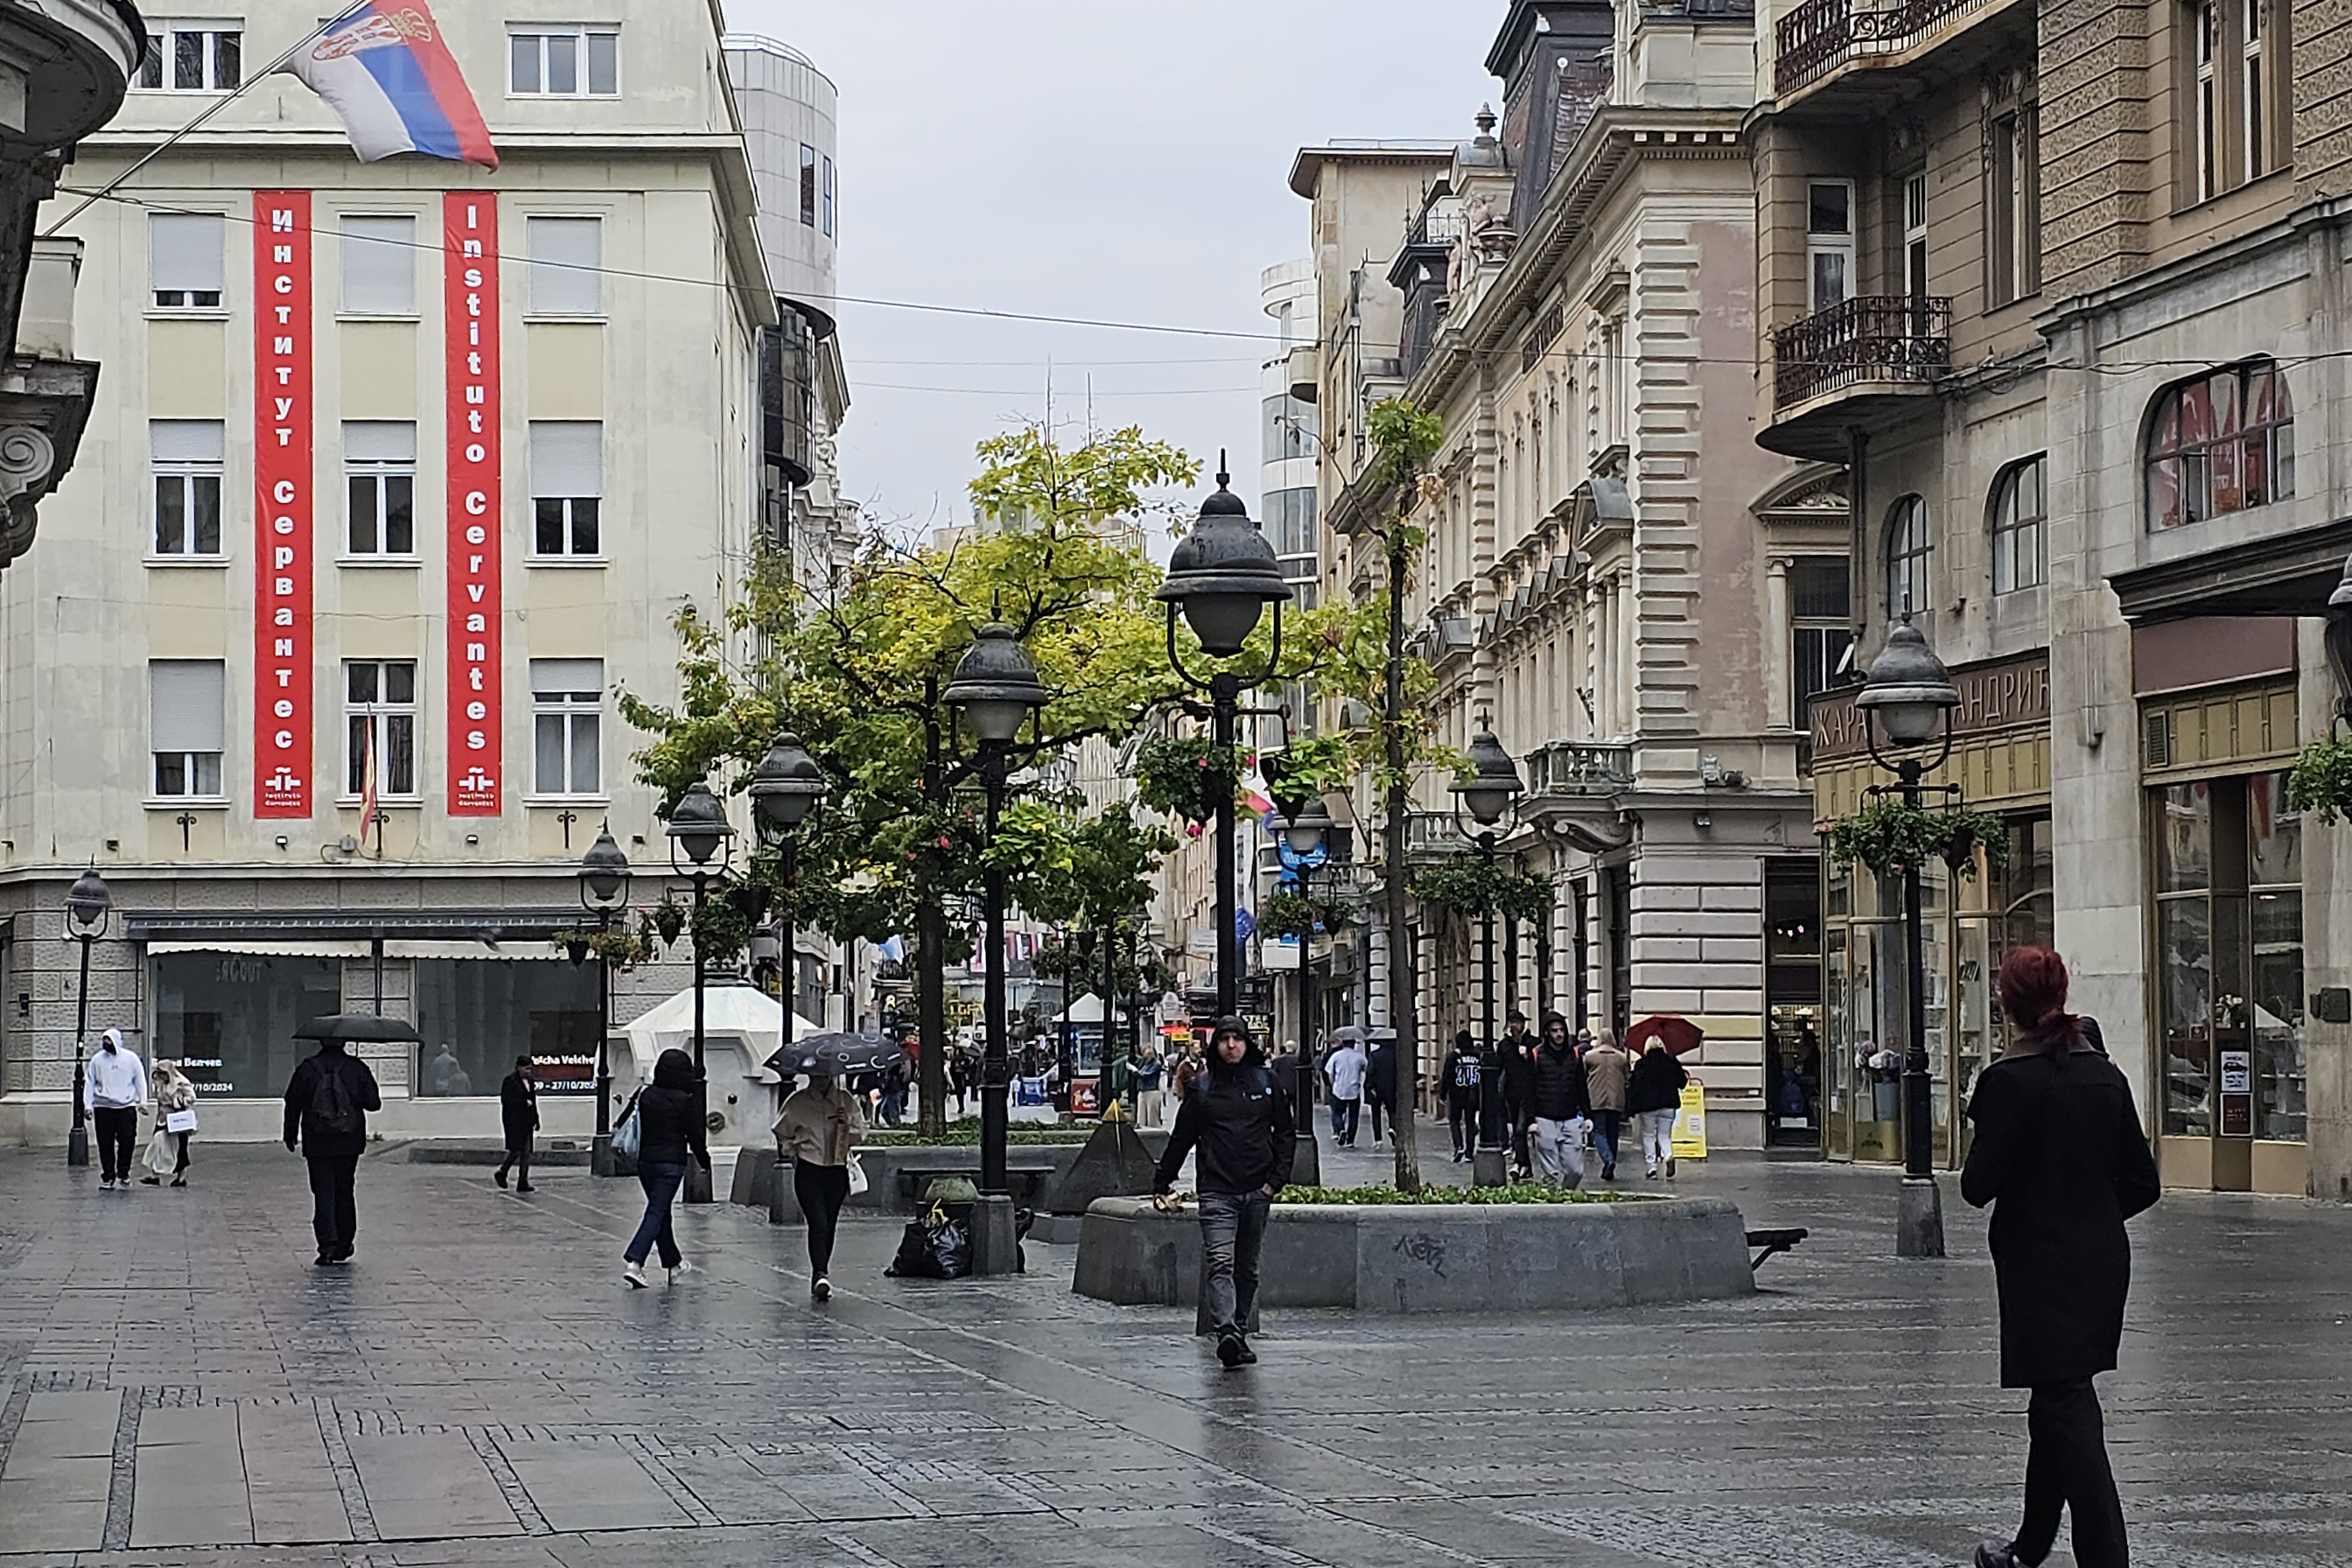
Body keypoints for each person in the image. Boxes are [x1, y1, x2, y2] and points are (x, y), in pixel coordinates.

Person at [1964, 947, 2160, 1568]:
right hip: (2100, 1260)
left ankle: (2106, 1557)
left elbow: (1976, 1185)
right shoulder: (2104, 1074)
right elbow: (2143, 1182)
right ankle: (2028, 1548)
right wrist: (2094, 1216)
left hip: (2036, 1266)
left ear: (2006, 1002)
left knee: (2065, 1404)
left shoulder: (2010, 1080)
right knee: (2058, 1396)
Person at [1152, 1017, 1296, 1369]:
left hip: (1256, 1189)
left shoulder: (1266, 1082)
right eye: (1225, 1040)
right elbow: (1181, 1139)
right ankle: (1227, 1330)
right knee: (1221, 1262)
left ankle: (1239, 1332)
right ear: (1215, 1045)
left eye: (1238, 1039)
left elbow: (1286, 1133)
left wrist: (1274, 1181)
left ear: (1248, 1044)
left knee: (1246, 1267)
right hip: (1217, 1191)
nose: (1231, 1045)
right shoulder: (1202, 1088)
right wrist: (1162, 1180)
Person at [281, 1029, 382, 1265]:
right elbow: (374, 1104)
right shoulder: (356, 1068)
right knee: (345, 1190)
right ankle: (344, 1243)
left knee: (323, 1192)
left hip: (317, 1141)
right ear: (345, 1041)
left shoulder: (307, 1068)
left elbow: (292, 1102)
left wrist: (289, 1133)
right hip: (349, 1140)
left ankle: (326, 1245)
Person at [775, 1065, 867, 1301]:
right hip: (809, 1168)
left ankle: (822, 1270)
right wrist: (793, 1148)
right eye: (816, 1076)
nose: (820, 1081)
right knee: (817, 1221)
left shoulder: (844, 1100)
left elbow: (861, 1131)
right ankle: (820, 1274)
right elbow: (782, 1131)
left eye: (824, 1076)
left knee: (830, 1222)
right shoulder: (798, 1102)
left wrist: (846, 1126)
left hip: (836, 1169)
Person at [623, 1047, 710, 1289]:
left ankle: (674, 1265)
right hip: (671, 1163)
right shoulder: (684, 1100)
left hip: (645, 1162)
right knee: (656, 1212)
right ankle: (635, 1262)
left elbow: (623, 1120)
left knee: (661, 1212)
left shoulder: (646, 1094)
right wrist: (704, 1161)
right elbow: (694, 1135)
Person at [85, 1027, 150, 1191]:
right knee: (105, 1144)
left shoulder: (131, 1059)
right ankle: (108, 1175)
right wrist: (88, 1105)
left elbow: (140, 1080)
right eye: (104, 1040)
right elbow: (89, 1083)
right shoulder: (97, 1060)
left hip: (125, 1107)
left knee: (128, 1140)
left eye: (109, 1040)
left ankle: (124, 1172)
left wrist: (143, 1101)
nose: (106, 1043)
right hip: (103, 1107)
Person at [1527, 1014, 1588, 1187]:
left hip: (1570, 1117)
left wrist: (1587, 1115)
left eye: (1561, 1030)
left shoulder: (1574, 1054)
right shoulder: (1537, 1054)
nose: (1559, 1034)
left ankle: (1566, 1193)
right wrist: (1530, 1120)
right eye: (1554, 1031)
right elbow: (1529, 1089)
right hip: (1544, 1117)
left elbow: (1581, 1086)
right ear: (1547, 1033)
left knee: (1575, 1170)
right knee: (1550, 1171)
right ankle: (1553, 1199)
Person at [1627, 1039, 1690, 1180]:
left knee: (1649, 1135)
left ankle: (1652, 1168)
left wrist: (1631, 1106)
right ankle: (1668, 1155)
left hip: (1648, 1105)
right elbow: (1682, 1083)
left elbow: (1635, 1086)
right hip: (1669, 1104)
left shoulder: (1642, 1064)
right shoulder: (1671, 1061)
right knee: (1664, 1135)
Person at [1582, 1028, 1629, 1180]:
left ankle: (1608, 1160)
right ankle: (1611, 1163)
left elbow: (1582, 1077)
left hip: (1596, 1100)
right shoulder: (1622, 1058)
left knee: (1599, 1132)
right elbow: (1627, 1078)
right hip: (1616, 1100)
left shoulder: (1590, 1057)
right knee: (1613, 1133)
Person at [141, 1060, 198, 1187]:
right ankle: (155, 1174)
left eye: (163, 1073)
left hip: (179, 1119)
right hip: (163, 1119)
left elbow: (192, 1098)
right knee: (157, 1143)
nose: (161, 1076)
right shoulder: (162, 1084)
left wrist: (176, 1102)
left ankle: (181, 1176)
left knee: (180, 1148)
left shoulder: (181, 1083)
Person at [1498, 1012, 1537, 1175]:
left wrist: (1527, 1056)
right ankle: (1525, 1166)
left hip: (1528, 1093)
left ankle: (1518, 1163)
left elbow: (1538, 1067)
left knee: (1521, 1129)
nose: (1516, 1026)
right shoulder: (1504, 1045)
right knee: (1516, 1129)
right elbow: (1500, 1067)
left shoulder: (1532, 1043)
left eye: (1518, 1022)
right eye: (1513, 1022)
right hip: (1511, 1093)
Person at [494, 1056, 539, 1192]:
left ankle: (523, 1181)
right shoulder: (510, 1082)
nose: (528, 1072)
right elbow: (507, 1101)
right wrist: (523, 1103)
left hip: (527, 1121)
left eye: (530, 1069)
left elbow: (533, 1102)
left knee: (526, 1152)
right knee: (516, 1150)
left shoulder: (530, 1082)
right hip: (514, 1121)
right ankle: (502, 1172)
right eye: (525, 1069)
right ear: (518, 1067)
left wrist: (536, 1119)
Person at [1322, 1031, 1367, 1148]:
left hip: (1339, 1089)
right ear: (1353, 1044)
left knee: (1337, 1113)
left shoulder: (1336, 1056)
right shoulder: (1359, 1056)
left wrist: (1333, 1085)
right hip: (1354, 1089)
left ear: (1343, 1043)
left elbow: (1330, 1073)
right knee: (1353, 1115)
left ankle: (1340, 1129)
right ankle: (1351, 1139)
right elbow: (1366, 1068)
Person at [1444, 1032, 1482, 1161]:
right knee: (1470, 1123)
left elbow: (1447, 1076)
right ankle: (1469, 1152)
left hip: (1457, 1093)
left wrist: (1443, 1093)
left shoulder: (1454, 1056)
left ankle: (1458, 1146)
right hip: (1473, 1094)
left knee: (1454, 1120)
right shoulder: (1478, 1056)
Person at [1365, 1030, 1398, 1145]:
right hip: (1392, 1087)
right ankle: (1393, 1127)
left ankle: (1378, 1139)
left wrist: (1369, 1087)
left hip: (1377, 1088)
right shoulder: (1397, 1055)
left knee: (1375, 1113)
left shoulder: (1374, 1055)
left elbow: (1370, 1072)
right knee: (1392, 1111)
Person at [1134, 1045, 1166, 1129]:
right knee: (1141, 1118)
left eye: (1150, 1052)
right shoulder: (1145, 1064)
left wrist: (1134, 1071)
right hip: (1143, 1091)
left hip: (1152, 1091)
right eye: (1146, 1052)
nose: (1148, 1054)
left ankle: (1155, 1135)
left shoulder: (1156, 1064)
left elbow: (1146, 1075)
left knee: (1152, 1118)